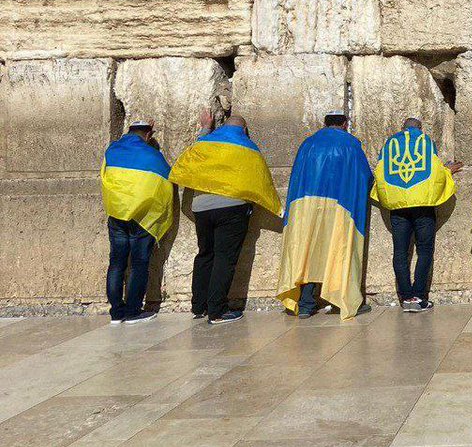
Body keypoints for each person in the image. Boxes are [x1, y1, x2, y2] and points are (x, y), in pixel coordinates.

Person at [171, 111, 281, 325]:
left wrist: (206, 127)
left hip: (201, 208)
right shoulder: (248, 147)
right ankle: (217, 311)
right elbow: (261, 180)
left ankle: (199, 307)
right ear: (244, 130)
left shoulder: (205, 143)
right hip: (232, 209)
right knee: (225, 258)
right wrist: (277, 208)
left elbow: (193, 155)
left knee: (205, 254)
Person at [277, 110, 374, 320]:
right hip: (341, 207)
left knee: (308, 251)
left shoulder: (308, 144)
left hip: (307, 206)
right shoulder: (350, 144)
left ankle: (305, 304)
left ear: (325, 123)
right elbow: (364, 176)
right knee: (339, 249)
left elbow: (297, 177)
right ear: (345, 123)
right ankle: (340, 300)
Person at [372, 117, 462, 312]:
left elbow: (379, 170)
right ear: (420, 128)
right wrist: (448, 171)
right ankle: (419, 297)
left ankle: (406, 297)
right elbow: (435, 171)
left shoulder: (390, 144)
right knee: (425, 250)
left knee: (400, 252)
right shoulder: (426, 141)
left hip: (398, 205)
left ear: (402, 128)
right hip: (423, 205)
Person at [100, 121, 174, 324]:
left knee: (116, 263)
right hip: (142, 219)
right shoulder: (152, 155)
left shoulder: (112, 151)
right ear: (148, 135)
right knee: (139, 264)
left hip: (117, 214)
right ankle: (133, 311)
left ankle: (116, 313)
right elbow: (167, 178)